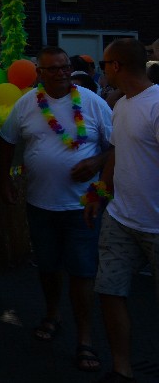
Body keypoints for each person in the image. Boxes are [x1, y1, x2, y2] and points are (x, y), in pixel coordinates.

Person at [0, 46, 113, 373]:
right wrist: (3, 180)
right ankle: (52, 313)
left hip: (82, 207)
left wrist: (95, 162)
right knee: (47, 266)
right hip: (40, 204)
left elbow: (116, 146)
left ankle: (85, 339)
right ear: (39, 73)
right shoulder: (27, 104)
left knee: (82, 272)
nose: (61, 73)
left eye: (64, 67)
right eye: (53, 69)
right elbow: (6, 141)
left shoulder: (92, 102)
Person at [85, 38, 159, 383]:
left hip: (156, 226)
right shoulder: (121, 104)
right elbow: (115, 151)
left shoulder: (156, 105)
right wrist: (100, 193)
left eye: (104, 64)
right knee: (109, 290)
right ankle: (121, 369)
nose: (101, 70)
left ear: (116, 67)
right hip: (120, 219)